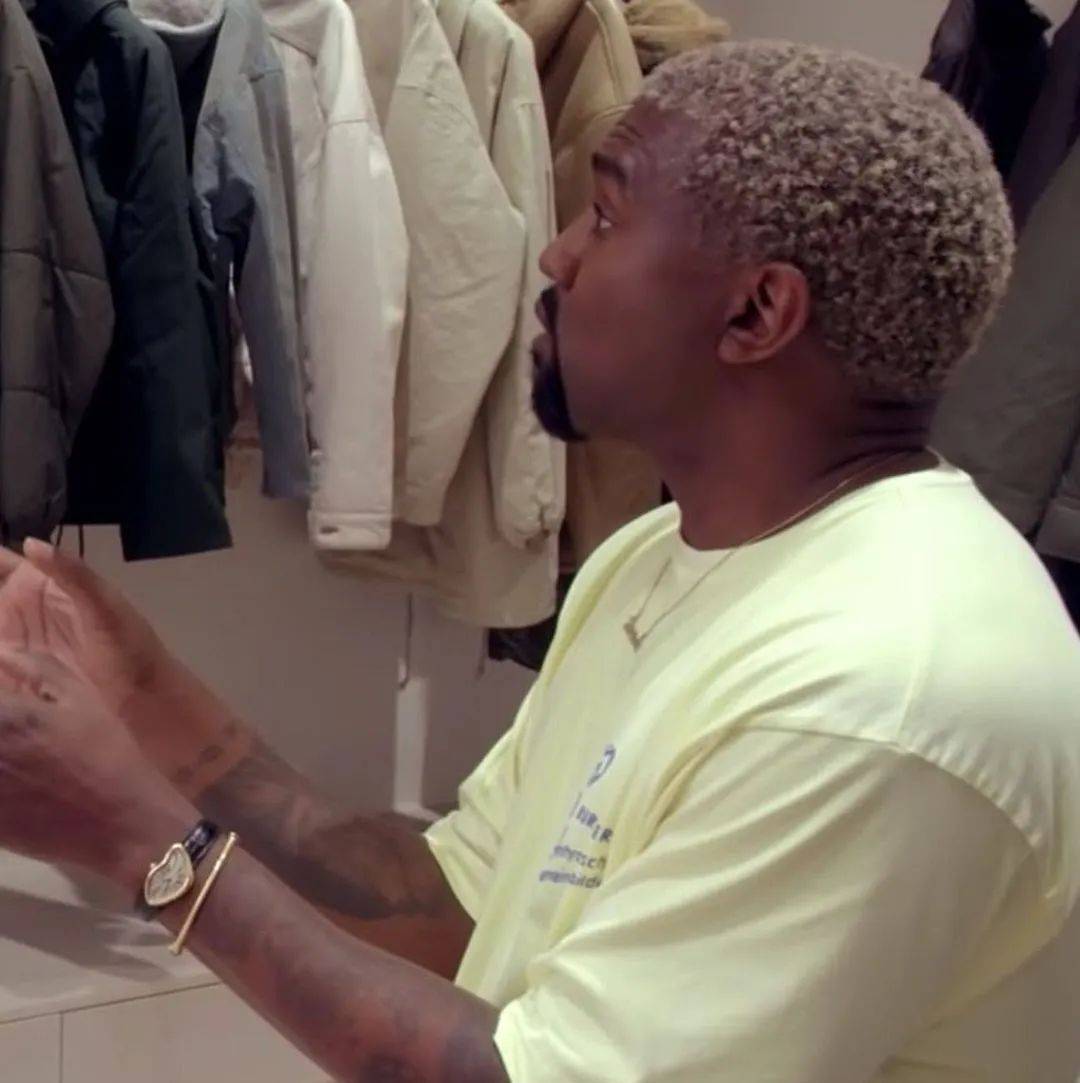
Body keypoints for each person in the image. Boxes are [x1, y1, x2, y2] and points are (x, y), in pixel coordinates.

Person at [1, 39, 1079, 1082]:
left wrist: (141, 838)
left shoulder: (881, 694)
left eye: (604, 215)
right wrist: (140, 691)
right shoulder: (661, 555)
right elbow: (447, 910)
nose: (557, 254)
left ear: (757, 311)